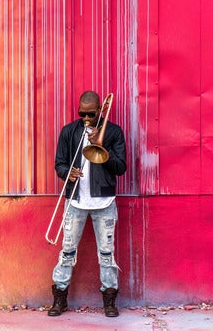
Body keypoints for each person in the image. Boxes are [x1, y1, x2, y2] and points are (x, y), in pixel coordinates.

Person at [48, 90, 127, 317]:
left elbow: (120, 168)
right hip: (76, 201)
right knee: (67, 250)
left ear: (101, 109)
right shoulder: (69, 132)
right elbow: (59, 163)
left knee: (106, 252)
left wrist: (104, 148)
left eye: (90, 114)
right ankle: (59, 298)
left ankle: (109, 300)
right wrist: (67, 173)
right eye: (82, 114)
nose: (86, 119)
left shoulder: (113, 132)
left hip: (104, 202)